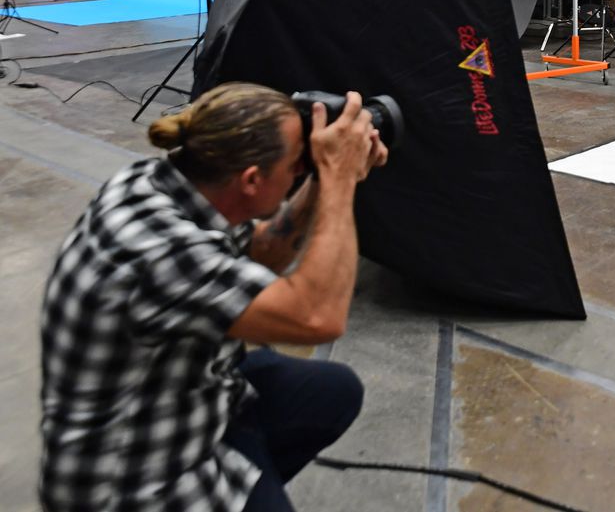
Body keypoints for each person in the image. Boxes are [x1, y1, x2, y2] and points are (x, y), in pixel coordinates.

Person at [38, 83, 388, 511]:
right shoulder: (160, 252)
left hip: (186, 395)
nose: (300, 170)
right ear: (251, 181)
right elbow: (317, 317)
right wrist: (339, 180)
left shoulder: (164, 184)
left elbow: (264, 253)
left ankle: (253, 480)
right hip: (129, 480)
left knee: (332, 392)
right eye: (295, 165)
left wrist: (319, 176)